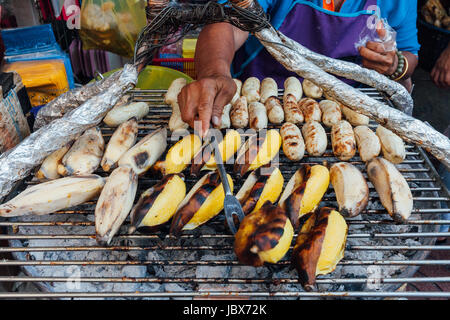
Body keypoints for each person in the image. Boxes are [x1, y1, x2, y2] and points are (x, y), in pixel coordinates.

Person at [178, 0, 420, 135]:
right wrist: (214, 72)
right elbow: (229, 22)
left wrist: (396, 64)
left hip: (345, 109)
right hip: (257, 100)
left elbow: (409, 53)